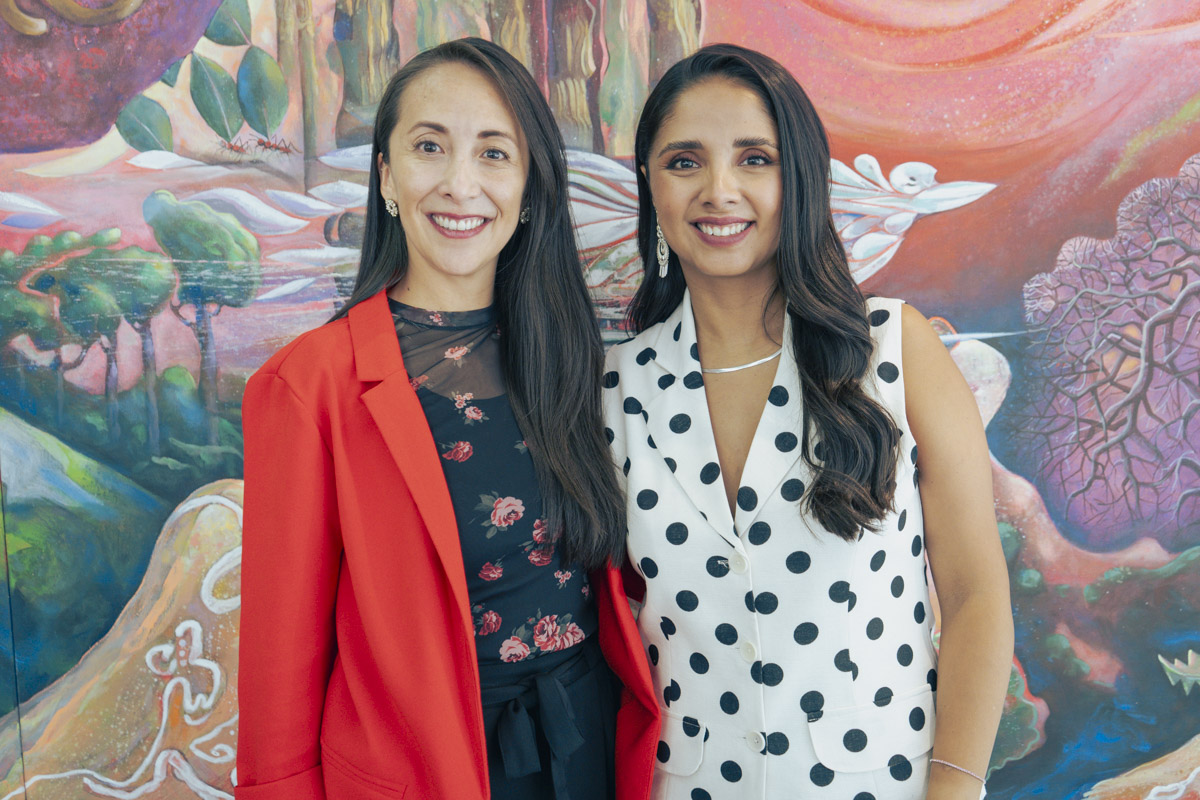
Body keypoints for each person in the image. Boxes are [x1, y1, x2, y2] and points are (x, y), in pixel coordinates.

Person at [237, 38, 658, 800]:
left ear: (528, 188)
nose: (461, 185)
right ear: (386, 176)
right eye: (429, 147)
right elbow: (279, 675)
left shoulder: (567, 352)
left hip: (584, 742)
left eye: (494, 153)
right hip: (426, 767)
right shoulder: (308, 386)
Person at [602, 44, 1013, 800]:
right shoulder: (614, 388)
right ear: (650, 186)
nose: (719, 191)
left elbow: (975, 596)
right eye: (684, 162)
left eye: (754, 159)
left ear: (800, 180)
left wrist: (955, 788)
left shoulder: (893, 349)